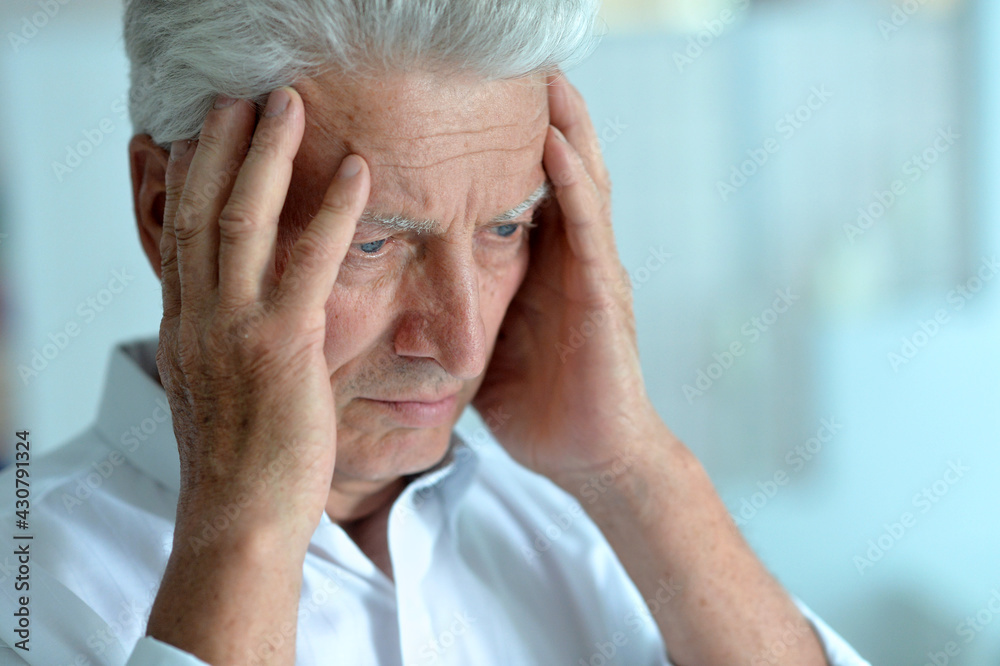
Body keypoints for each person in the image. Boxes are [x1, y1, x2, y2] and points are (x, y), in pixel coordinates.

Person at [0, 1, 872, 664]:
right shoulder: (25, 579)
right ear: (166, 213)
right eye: (372, 243)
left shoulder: (584, 532)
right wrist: (247, 532)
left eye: (504, 230)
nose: (458, 344)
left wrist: (634, 466)